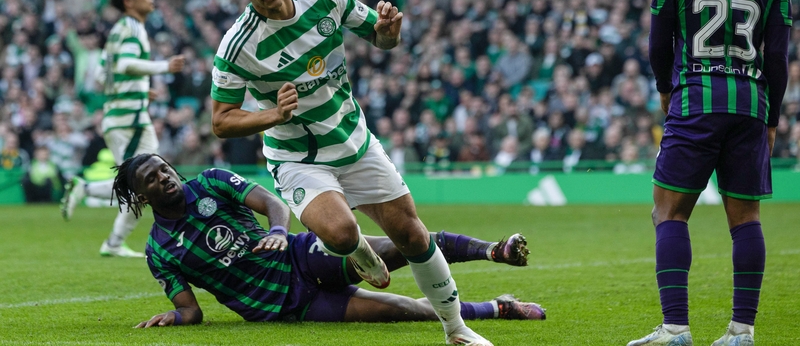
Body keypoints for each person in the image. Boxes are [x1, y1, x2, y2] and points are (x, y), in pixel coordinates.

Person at [210, 0, 491, 345]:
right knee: (340, 234)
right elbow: (221, 121)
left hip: (354, 140)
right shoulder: (238, 46)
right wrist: (273, 115)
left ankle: (456, 330)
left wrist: (389, 34)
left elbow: (379, 38)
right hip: (298, 157)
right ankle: (358, 251)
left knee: (413, 236)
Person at [111, 153, 544, 328]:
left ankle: (494, 250)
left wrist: (279, 231)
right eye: (153, 178)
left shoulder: (211, 181)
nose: (165, 178)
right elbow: (192, 310)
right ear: (140, 195)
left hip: (303, 256)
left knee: (404, 242)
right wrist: (175, 317)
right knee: (406, 312)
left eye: (165, 169)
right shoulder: (159, 252)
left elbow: (272, 204)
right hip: (288, 307)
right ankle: (499, 308)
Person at [628, 0, 792, 345]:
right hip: (749, 107)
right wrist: (772, 118)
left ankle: (676, 329)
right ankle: (742, 331)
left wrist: (665, 88)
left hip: (696, 102)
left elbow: (658, 40)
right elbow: (777, 57)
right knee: (746, 219)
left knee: (670, 212)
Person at [60, 0, 186, 258]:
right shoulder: (132, 28)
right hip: (130, 121)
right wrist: (164, 66)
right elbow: (127, 64)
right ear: (129, 1)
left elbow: (102, 76)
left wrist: (138, 90)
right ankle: (88, 192)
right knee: (144, 182)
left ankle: (114, 241)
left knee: (143, 184)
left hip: (124, 115)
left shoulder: (117, 31)